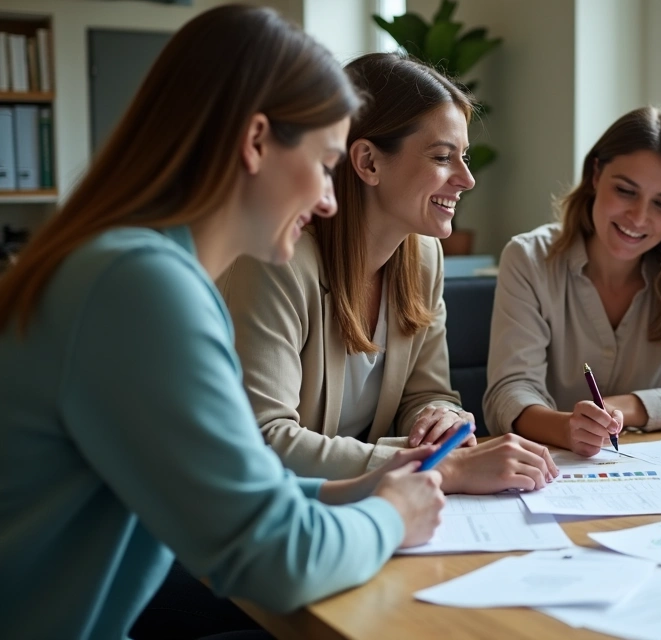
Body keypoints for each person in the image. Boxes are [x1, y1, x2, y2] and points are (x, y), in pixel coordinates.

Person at [0, 7, 445, 638]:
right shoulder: (139, 288)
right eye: (323, 164)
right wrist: (393, 516)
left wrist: (360, 489)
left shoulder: (134, 265)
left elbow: (244, 491)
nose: (328, 198)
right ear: (256, 142)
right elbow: (273, 558)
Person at [219, 53, 557, 492]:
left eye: (465, 157)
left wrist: (440, 420)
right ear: (368, 162)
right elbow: (265, 440)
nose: (467, 179)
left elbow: (426, 393)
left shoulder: (423, 257)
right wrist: (439, 468)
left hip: (363, 508)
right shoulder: (275, 263)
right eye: (442, 157)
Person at [485, 106, 661, 457]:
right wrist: (566, 428)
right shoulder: (529, 259)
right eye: (625, 191)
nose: (638, 217)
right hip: (550, 464)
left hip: (653, 465)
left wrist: (625, 407)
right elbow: (509, 391)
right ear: (596, 174)